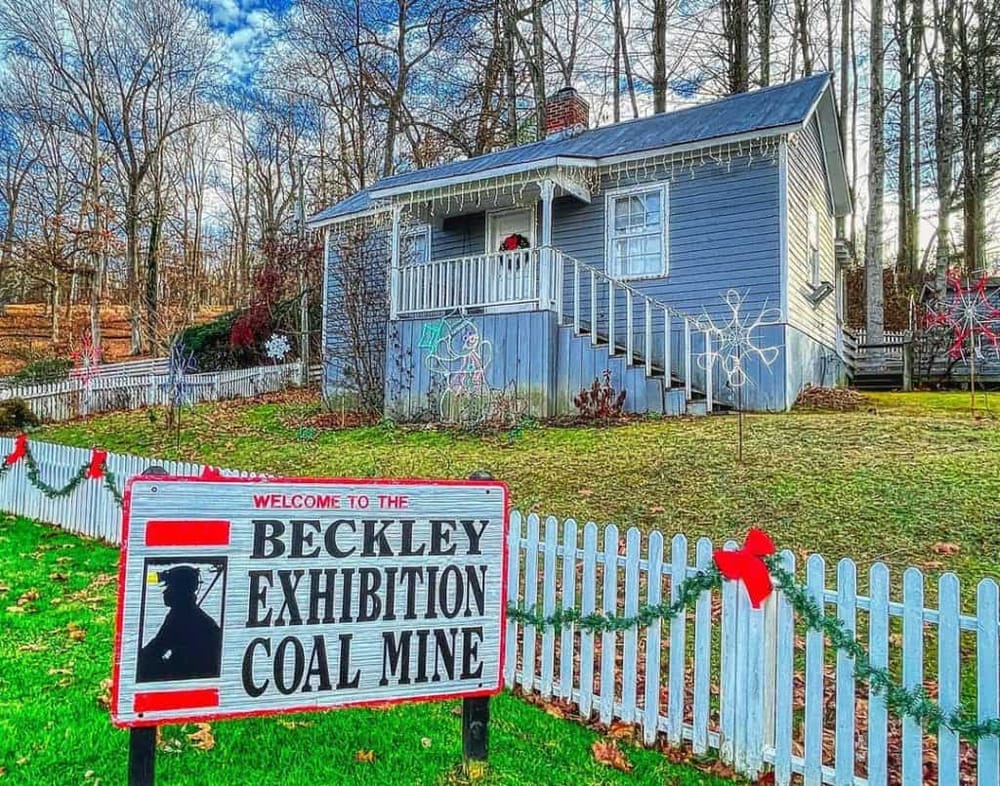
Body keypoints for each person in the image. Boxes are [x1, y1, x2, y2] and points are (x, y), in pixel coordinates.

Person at [137, 565, 222, 682]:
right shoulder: (186, 612)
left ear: (179, 590)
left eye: (169, 587)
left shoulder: (181, 616)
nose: (165, 592)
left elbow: (156, 647)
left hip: (193, 674)